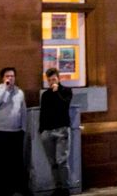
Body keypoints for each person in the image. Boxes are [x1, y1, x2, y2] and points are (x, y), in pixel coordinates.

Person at [0, 67, 27, 196]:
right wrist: (5, 89)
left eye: (12, 76)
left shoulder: (19, 92)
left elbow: (23, 110)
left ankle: (14, 189)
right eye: (7, 76)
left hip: (15, 132)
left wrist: (23, 128)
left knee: (14, 163)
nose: (10, 78)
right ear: (3, 78)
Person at [38, 68, 73, 196]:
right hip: (47, 131)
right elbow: (43, 113)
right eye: (49, 80)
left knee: (61, 161)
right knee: (52, 162)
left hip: (61, 129)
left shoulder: (66, 91)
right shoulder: (45, 95)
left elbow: (64, 106)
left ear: (58, 79)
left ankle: (65, 188)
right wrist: (41, 130)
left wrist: (56, 92)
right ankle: (57, 187)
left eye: (53, 79)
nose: (51, 82)